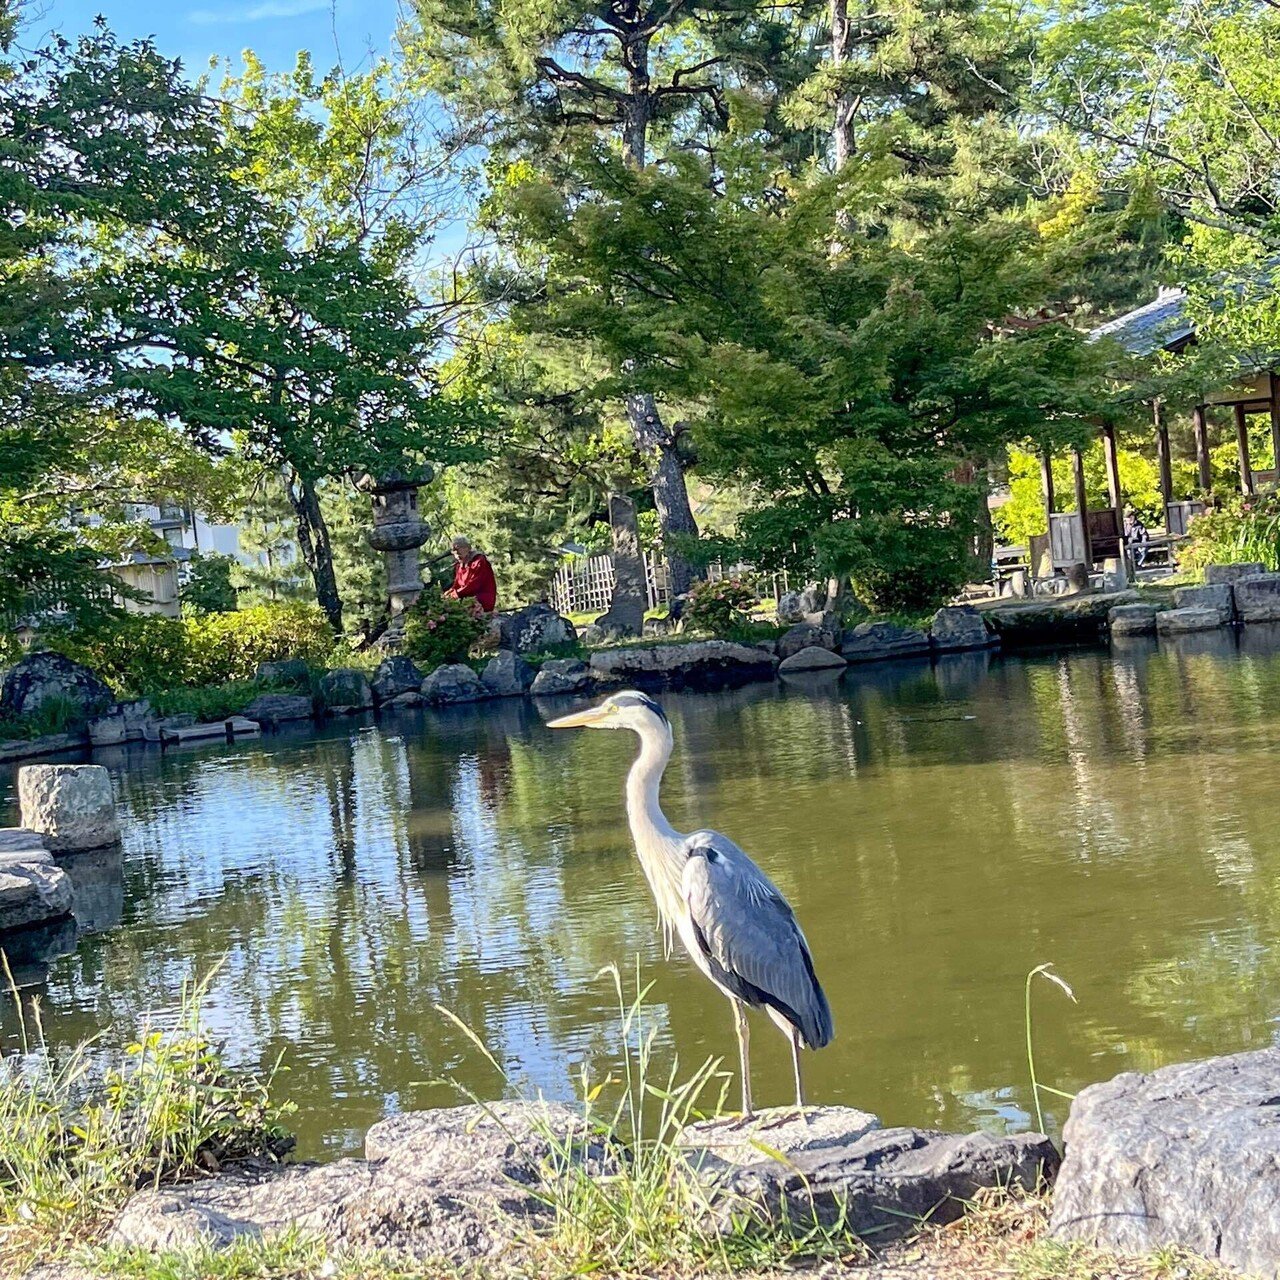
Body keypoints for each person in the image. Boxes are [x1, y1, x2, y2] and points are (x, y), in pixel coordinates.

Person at [444, 536, 497, 613]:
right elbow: (457, 584)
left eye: (459, 549)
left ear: (468, 548)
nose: (457, 554)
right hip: (466, 597)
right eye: (454, 552)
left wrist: (456, 594)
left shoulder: (479, 561)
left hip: (481, 598)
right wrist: (449, 593)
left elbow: (474, 584)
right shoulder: (460, 565)